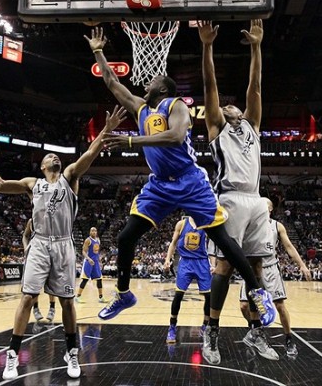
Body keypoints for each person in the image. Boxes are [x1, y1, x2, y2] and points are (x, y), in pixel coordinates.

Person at [84, 27, 274, 326]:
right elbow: (111, 82)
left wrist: (132, 141)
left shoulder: (176, 106)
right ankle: (123, 293)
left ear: (163, 88)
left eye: (152, 81)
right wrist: (98, 51)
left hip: (190, 181)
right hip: (159, 184)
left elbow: (174, 137)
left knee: (223, 240)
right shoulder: (140, 108)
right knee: (125, 237)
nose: (146, 82)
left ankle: (259, 291)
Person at [0, 105, 127, 381]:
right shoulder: (33, 184)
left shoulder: (70, 178)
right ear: (42, 167)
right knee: (28, 297)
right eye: (48, 156)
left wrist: (106, 130)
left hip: (64, 244)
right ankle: (12, 355)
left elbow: (90, 154)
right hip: (40, 243)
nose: (54, 157)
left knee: (67, 302)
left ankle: (72, 352)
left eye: (56, 156)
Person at [197, 19, 276, 365]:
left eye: (235, 105)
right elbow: (209, 85)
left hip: (257, 201)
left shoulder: (253, 126)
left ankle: (256, 332)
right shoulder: (216, 128)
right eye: (226, 106)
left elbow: (255, 86)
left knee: (257, 269)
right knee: (224, 268)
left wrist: (257, 47)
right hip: (228, 199)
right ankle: (210, 331)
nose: (231, 105)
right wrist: (207, 46)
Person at [240, 198, 312, 359]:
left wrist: (301, 265)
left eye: (265, 207)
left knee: (279, 305)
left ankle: (288, 339)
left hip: (270, 268)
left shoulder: (277, 226)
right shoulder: (249, 223)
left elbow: (289, 247)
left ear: (270, 209)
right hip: (251, 267)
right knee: (244, 306)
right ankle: (255, 330)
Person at [163, 216, 212, 344]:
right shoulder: (181, 224)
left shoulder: (206, 224)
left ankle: (205, 326)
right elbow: (173, 243)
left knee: (209, 296)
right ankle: (172, 328)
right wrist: (168, 259)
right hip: (186, 261)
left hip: (202, 262)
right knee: (178, 295)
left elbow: (213, 244)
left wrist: (213, 263)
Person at [22, 219, 57, 323]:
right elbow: (25, 236)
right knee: (34, 288)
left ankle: (52, 308)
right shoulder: (31, 221)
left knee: (51, 286)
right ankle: (35, 308)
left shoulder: (52, 219)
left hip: (51, 255)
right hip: (36, 256)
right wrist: (25, 248)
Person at [75, 227, 106, 303]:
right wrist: (89, 259)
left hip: (95, 262)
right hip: (88, 262)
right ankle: (78, 296)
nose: (94, 232)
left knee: (99, 279)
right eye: (92, 231)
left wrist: (99, 261)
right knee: (85, 279)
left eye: (95, 230)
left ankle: (101, 297)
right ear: (90, 232)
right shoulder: (88, 240)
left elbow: (97, 252)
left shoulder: (98, 240)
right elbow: (84, 252)